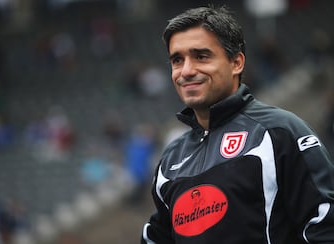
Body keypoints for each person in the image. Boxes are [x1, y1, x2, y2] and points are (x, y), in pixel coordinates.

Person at [141, 5, 334, 244]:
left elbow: (325, 228)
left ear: (236, 63)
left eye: (201, 56)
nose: (187, 71)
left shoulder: (279, 133)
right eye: (177, 60)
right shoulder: (170, 161)